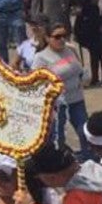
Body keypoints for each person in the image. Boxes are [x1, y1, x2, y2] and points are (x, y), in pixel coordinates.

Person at [33, 19, 88, 152]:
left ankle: (90, 157)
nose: (62, 39)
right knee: (59, 138)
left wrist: (84, 77)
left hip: (77, 99)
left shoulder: (70, 50)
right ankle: (61, 163)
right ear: (47, 38)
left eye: (64, 35)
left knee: (84, 132)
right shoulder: (41, 57)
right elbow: (36, 83)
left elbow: (80, 68)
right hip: (58, 105)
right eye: (57, 37)